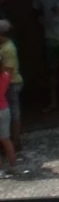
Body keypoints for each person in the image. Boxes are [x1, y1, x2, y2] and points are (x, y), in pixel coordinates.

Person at [0, 16, 18, 173]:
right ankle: (13, 164)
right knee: (6, 139)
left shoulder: (8, 49)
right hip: (3, 109)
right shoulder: (5, 77)